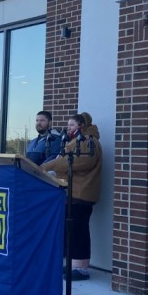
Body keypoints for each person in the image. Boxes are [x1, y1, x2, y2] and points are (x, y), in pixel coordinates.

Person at [41, 113, 102, 281]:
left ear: (81, 126)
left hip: (82, 194)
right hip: (74, 193)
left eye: (72, 124)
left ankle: (81, 268)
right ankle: (73, 264)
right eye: (68, 125)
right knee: (72, 230)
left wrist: (49, 166)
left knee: (79, 231)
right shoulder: (77, 141)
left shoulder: (89, 142)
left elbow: (78, 162)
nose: (68, 128)